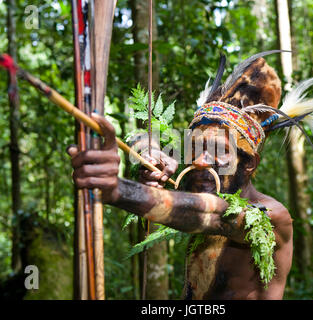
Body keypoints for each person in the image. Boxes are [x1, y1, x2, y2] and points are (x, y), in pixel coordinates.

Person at [67, 53, 295, 300]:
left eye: (221, 152)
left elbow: (211, 214)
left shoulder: (271, 216)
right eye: (195, 148)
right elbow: (140, 137)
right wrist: (151, 154)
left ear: (249, 163)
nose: (200, 161)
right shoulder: (201, 194)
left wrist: (117, 190)